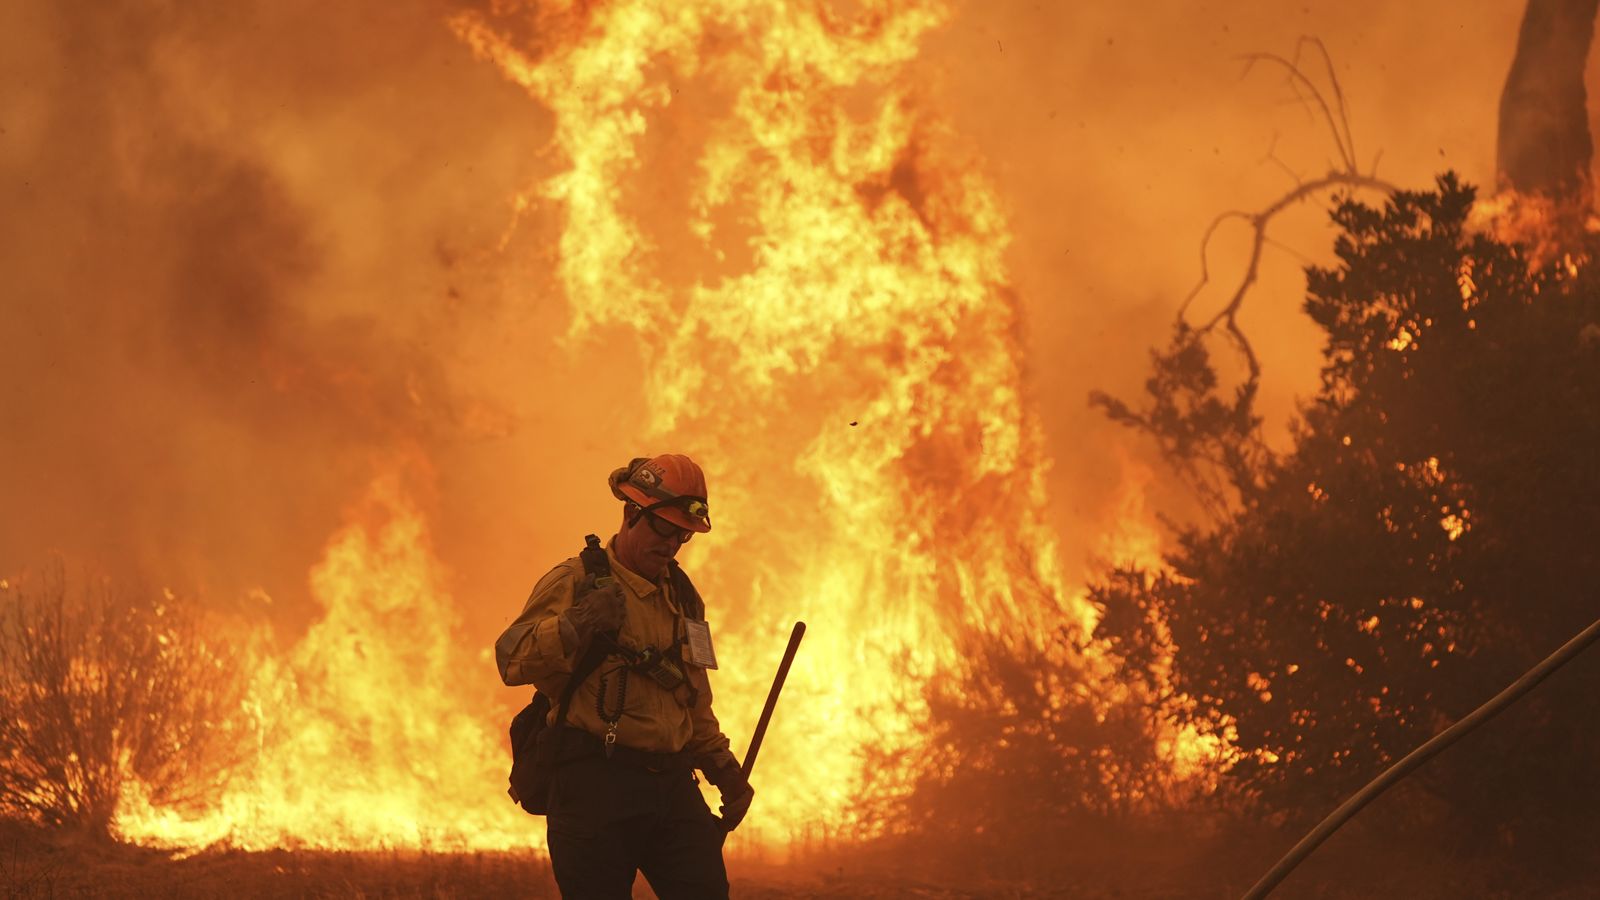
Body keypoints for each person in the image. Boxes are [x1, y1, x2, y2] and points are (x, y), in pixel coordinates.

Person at [495, 454, 752, 899]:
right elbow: (510, 659)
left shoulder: (685, 599)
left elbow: (693, 697)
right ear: (633, 513)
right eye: (664, 529)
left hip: (671, 789)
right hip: (594, 788)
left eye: (683, 535)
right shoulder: (574, 581)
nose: (673, 544)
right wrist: (576, 623)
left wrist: (721, 766)